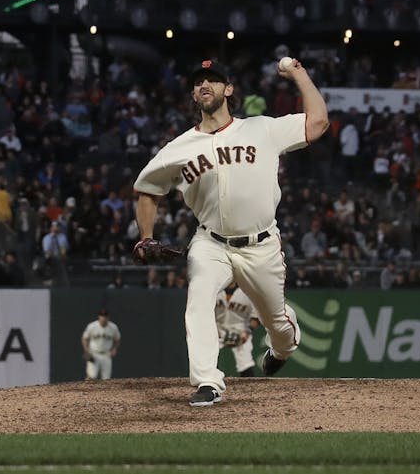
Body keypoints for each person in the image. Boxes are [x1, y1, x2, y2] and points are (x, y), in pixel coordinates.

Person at [133, 57, 329, 407]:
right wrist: (145, 235)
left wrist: (298, 73)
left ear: (229, 89)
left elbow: (318, 122)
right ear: (194, 94)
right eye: (198, 81)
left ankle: (283, 344)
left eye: (212, 79)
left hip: (261, 246)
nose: (204, 85)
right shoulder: (178, 148)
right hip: (211, 242)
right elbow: (148, 190)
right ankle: (208, 381)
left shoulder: (261, 128)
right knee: (198, 297)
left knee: (279, 326)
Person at [215, 281, 259, 377]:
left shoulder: (248, 292)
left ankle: (250, 388)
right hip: (217, 328)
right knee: (208, 359)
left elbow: (256, 317)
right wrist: (211, 329)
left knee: (245, 363)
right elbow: (205, 313)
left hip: (241, 330)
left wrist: (248, 331)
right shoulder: (214, 289)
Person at [81, 309, 121, 380]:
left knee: (106, 379)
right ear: (98, 317)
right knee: (91, 377)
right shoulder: (92, 326)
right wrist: (86, 349)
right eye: (102, 316)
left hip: (106, 354)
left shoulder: (113, 327)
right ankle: (86, 391)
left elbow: (117, 339)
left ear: (108, 317)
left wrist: (114, 349)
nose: (103, 318)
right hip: (94, 354)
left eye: (105, 316)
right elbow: (84, 338)